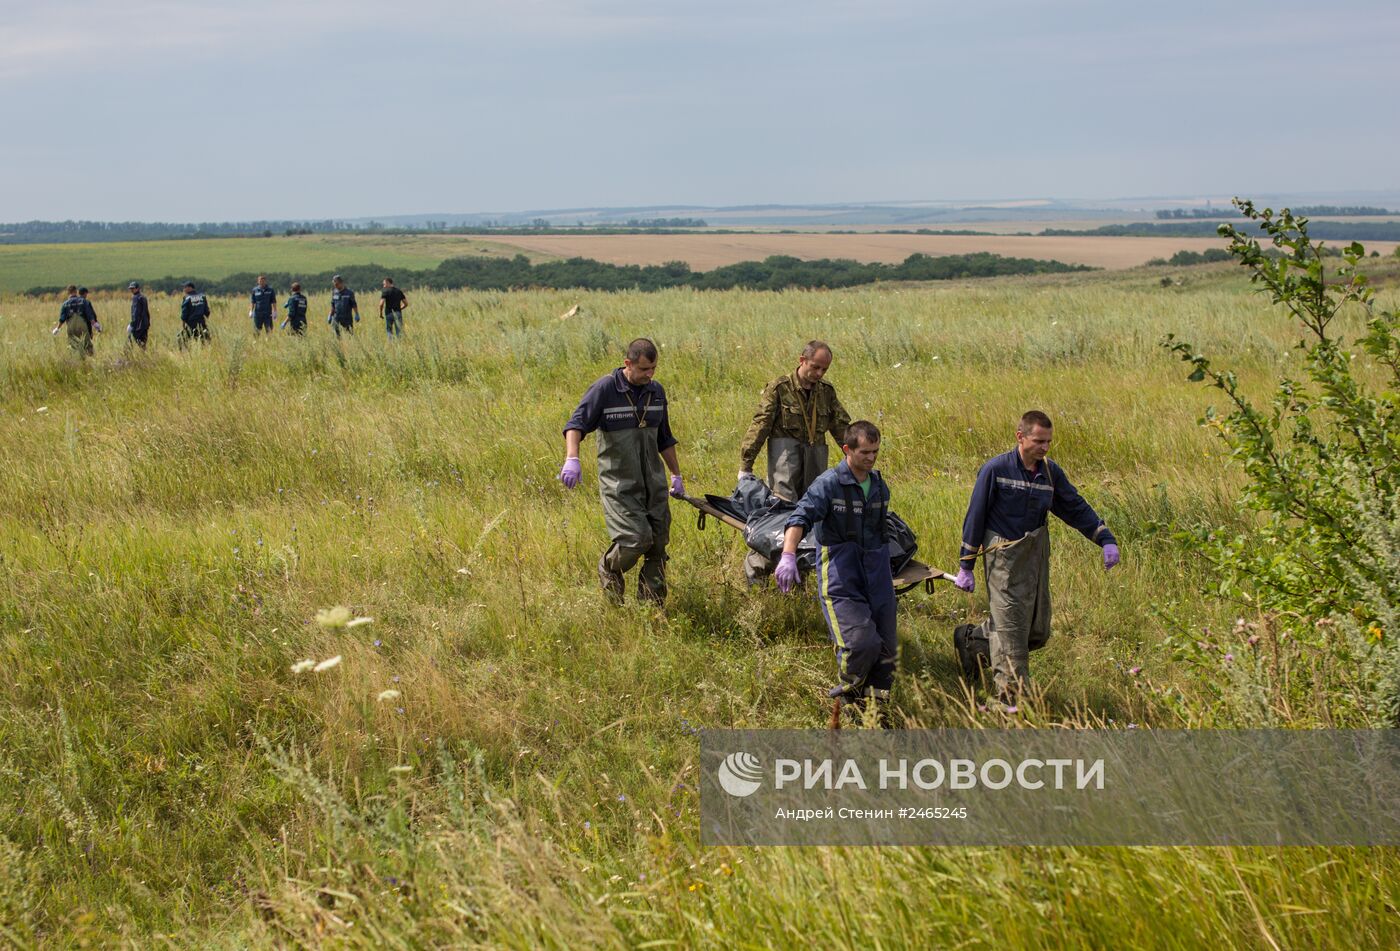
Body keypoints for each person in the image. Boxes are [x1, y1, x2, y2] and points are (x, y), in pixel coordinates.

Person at [952, 410, 1121, 706]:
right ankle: (1011, 702)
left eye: (1049, 442)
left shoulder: (1050, 473)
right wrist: (966, 565)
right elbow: (975, 516)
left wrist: (1104, 537)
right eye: (1039, 441)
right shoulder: (996, 470)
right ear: (1020, 437)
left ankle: (973, 642)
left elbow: (1074, 507)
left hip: (1033, 560)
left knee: (1036, 630)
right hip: (1002, 559)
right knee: (1012, 634)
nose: (1045, 447)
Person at [775, 420, 896, 728]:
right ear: (847, 450)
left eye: (876, 452)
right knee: (860, 643)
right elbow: (799, 518)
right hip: (842, 573)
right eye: (865, 452)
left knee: (886, 649)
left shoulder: (879, 484)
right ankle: (848, 695)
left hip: (877, 573)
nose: (871, 458)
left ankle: (877, 710)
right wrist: (788, 554)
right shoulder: (828, 484)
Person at [560, 338, 686, 605]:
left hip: (654, 484)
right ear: (628, 364)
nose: (650, 375)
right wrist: (572, 458)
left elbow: (664, 438)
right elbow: (576, 424)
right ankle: (609, 568)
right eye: (644, 370)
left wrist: (676, 475)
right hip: (620, 486)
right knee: (635, 539)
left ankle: (651, 607)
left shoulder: (656, 392)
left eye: (654, 369)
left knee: (658, 544)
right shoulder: (606, 389)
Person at [738, 340, 851, 581]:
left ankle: (797, 574)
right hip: (785, 465)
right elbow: (760, 425)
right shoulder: (780, 388)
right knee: (782, 518)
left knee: (813, 516)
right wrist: (745, 466)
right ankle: (756, 572)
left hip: (816, 463)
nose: (819, 374)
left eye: (824, 369)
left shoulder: (826, 392)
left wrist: (856, 459)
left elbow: (842, 429)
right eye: (815, 367)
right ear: (802, 360)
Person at [52, 284, 101, 357]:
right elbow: (90, 315)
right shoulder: (83, 301)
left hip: (71, 327)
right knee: (87, 346)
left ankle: (78, 362)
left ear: (68, 293)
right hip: (82, 326)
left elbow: (62, 319)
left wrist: (57, 328)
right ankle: (90, 362)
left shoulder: (65, 304)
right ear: (76, 291)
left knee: (74, 348)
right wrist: (96, 325)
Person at [127, 281, 151, 348]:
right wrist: (148, 323)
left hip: (138, 326)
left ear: (137, 289)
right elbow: (147, 312)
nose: (131, 290)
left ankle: (131, 357)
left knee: (133, 343)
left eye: (133, 288)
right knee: (143, 344)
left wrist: (132, 324)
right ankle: (144, 356)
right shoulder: (143, 297)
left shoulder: (136, 298)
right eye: (130, 288)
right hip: (145, 325)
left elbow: (136, 313)